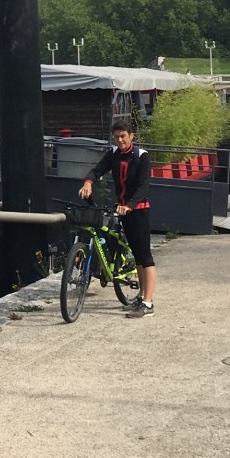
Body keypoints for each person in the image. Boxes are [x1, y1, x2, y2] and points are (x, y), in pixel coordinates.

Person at [78, 118, 157, 318]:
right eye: (116, 137)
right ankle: (140, 297)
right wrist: (88, 182)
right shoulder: (113, 154)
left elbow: (143, 187)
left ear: (132, 136)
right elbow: (97, 170)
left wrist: (129, 206)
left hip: (138, 210)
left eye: (123, 136)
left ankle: (148, 303)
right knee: (137, 256)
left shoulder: (141, 156)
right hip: (122, 209)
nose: (120, 140)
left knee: (145, 257)